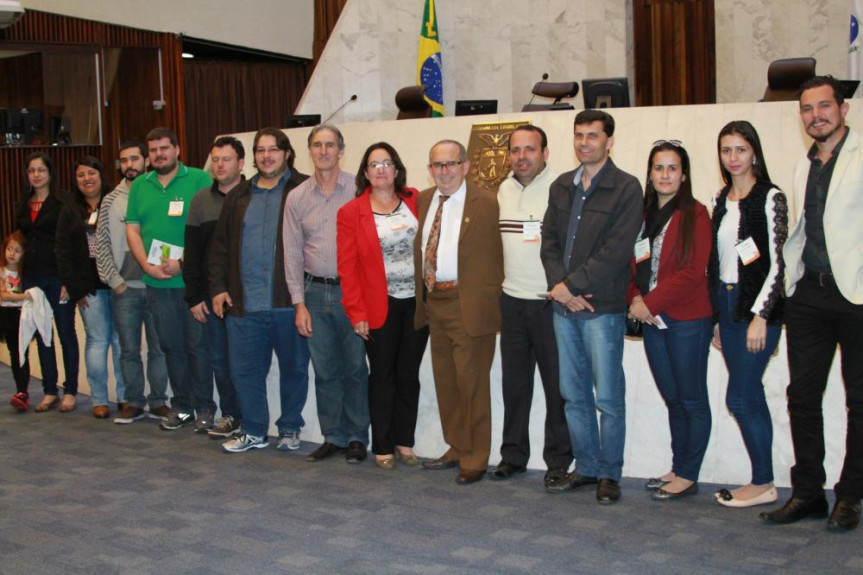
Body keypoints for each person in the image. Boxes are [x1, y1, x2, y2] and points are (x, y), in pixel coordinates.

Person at [762, 76, 863, 531]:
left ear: (842, 109)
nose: (815, 115)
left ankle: (850, 496)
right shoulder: (805, 164)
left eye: (824, 106)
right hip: (810, 295)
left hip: (857, 294)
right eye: (806, 108)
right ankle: (807, 494)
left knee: (860, 402)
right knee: (801, 397)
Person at [541, 110, 642, 504]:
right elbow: (549, 241)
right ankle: (585, 467)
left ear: (609, 141)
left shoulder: (627, 188)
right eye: (579, 135)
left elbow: (616, 252)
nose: (585, 142)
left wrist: (571, 285)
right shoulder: (562, 186)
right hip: (563, 308)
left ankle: (609, 474)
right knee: (573, 394)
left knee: (608, 398)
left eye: (593, 136)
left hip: (603, 310)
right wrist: (559, 287)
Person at [210, 128, 311, 453]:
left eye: (273, 149)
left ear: (287, 153)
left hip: (288, 303)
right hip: (244, 304)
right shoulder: (239, 195)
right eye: (260, 150)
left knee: (294, 370)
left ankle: (290, 427)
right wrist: (218, 288)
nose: (267, 156)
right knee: (245, 372)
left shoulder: (303, 189)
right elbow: (220, 247)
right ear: (253, 157)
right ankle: (253, 430)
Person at [627, 140, 713, 500]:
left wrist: (649, 303)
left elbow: (693, 271)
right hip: (653, 322)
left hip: (687, 319)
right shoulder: (641, 215)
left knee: (692, 399)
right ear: (650, 174)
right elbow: (629, 263)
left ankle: (689, 474)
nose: (665, 175)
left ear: (684, 174)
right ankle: (679, 467)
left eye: (672, 168)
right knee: (674, 400)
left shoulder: (696, 214)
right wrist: (634, 297)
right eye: (659, 168)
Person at [415, 139, 503, 485]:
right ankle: (456, 445)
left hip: (470, 304)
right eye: (438, 165)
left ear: (466, 166)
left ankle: (476, 456)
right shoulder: (424, 199)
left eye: (452, 164)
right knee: (447, 382)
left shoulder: (489, 202)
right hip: (434, 303)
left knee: (473, 384)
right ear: (430, 169)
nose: (445, 171)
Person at [708, 121, 787, 508]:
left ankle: (763, 481)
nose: (733, 157)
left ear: (754, 152)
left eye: (740, 149)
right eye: (726, 150)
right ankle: (763, 481)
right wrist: (716, 320)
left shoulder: (770, 197)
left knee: (740, 397)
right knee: (749, 394)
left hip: (755, 307)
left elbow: (777, 262)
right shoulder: (721, 199)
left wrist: (761, 315)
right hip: (725, 305)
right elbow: (717, 262)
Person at [337, 142, 428, 470]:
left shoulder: (416, 200)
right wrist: (356, 312)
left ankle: (405, 441)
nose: (381, 169)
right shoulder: (351, 212)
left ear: (397, 169)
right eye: (374, 164)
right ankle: (384, 445)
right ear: (365, 173)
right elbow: (347, 268)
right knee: (382, 377)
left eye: (387, 163)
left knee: (408, 375)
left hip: (417, 305)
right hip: (378, 306)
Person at [283, 124, 370, 463]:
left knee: (355, 369)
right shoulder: (297, 197)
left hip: (352, 292)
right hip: (315, 294)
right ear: (310, 151)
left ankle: (358, 437)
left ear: (341, 150)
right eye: (317, 145)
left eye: (330, 145)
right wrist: (298, 304)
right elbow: (291, 254)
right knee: (325, 370)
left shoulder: (359, 189)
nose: (323, 151)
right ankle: (333, 435)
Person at [490, 125, 572, 486]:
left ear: (545, 153)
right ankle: (513, 456)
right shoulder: (503, 190)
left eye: (530, 150)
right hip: (512, 303)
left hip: (550, 304)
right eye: (516, 150)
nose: (522, 157)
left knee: (557, 389)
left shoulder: (562, 190)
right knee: (515, 386)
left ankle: (557, 461)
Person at [125, 127, 215, 431]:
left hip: (192, 284)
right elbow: (132, 230)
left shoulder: (200, 180)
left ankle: (205, 407)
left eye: (165, 148)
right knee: (171, 347)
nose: (159, 154)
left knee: (198, 347)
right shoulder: (140, 185)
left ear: (177, 149)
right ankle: (182, 406)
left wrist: (183, 263)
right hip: (157, 284)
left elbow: (209, 232)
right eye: (154, 150)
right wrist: (147, 268)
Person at [97, 140, 170, 424]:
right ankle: (134, 402)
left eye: (134, 159)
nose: (129, 165)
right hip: (125, 290)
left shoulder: (158, 194)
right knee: (128, 349)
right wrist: (115, 282)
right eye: (124, 160)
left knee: (159, 349)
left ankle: (159, 402)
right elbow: (101, 244)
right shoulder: (110, 201)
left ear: (146, 161)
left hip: (158, 285)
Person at [184, 136, 245, 437]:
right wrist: (194, 296)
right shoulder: (200, 201)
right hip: (212, 298)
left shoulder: (255, 196)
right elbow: (192, 253)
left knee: (246, 363)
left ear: (242, 163)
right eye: (216, 160)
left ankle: (253, 419)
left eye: (226, 159)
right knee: (220, 362)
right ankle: (232, 415)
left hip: (249, 297)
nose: (220, 165)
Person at [56, 156, 125, 418]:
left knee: (121, 342)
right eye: (81, 175)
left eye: (91, 173)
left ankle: (125, 398)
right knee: (97, 341)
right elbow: (62, 251)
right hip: (88, 288)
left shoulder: (116, 201)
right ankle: (99, 399)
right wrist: (75, 289)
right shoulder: (69, 209)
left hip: (117, 283)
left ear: (101, 174)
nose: (87, 179)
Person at [15, 152, 80, 413]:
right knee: (43, 335)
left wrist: (68, 278)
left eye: (41, 169)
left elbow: (72, 241)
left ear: (50, 173)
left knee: (65, 333)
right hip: (32, 277)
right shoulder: (23, 203)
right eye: (32, 170)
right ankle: (50, 390)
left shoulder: (63, 202)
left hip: (58, 276)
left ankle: (71, 390)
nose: (36, 175)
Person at [2, 232, 32, 411]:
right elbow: (3, 294)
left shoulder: (25, 273)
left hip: (22, 314)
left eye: (17, 250)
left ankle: (23, 390)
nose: (12, 253)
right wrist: (24, 296)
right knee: (14, 352)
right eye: (9, 249)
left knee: (23, 352)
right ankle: (19, 388)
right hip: (6, 314)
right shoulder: (1, 271)